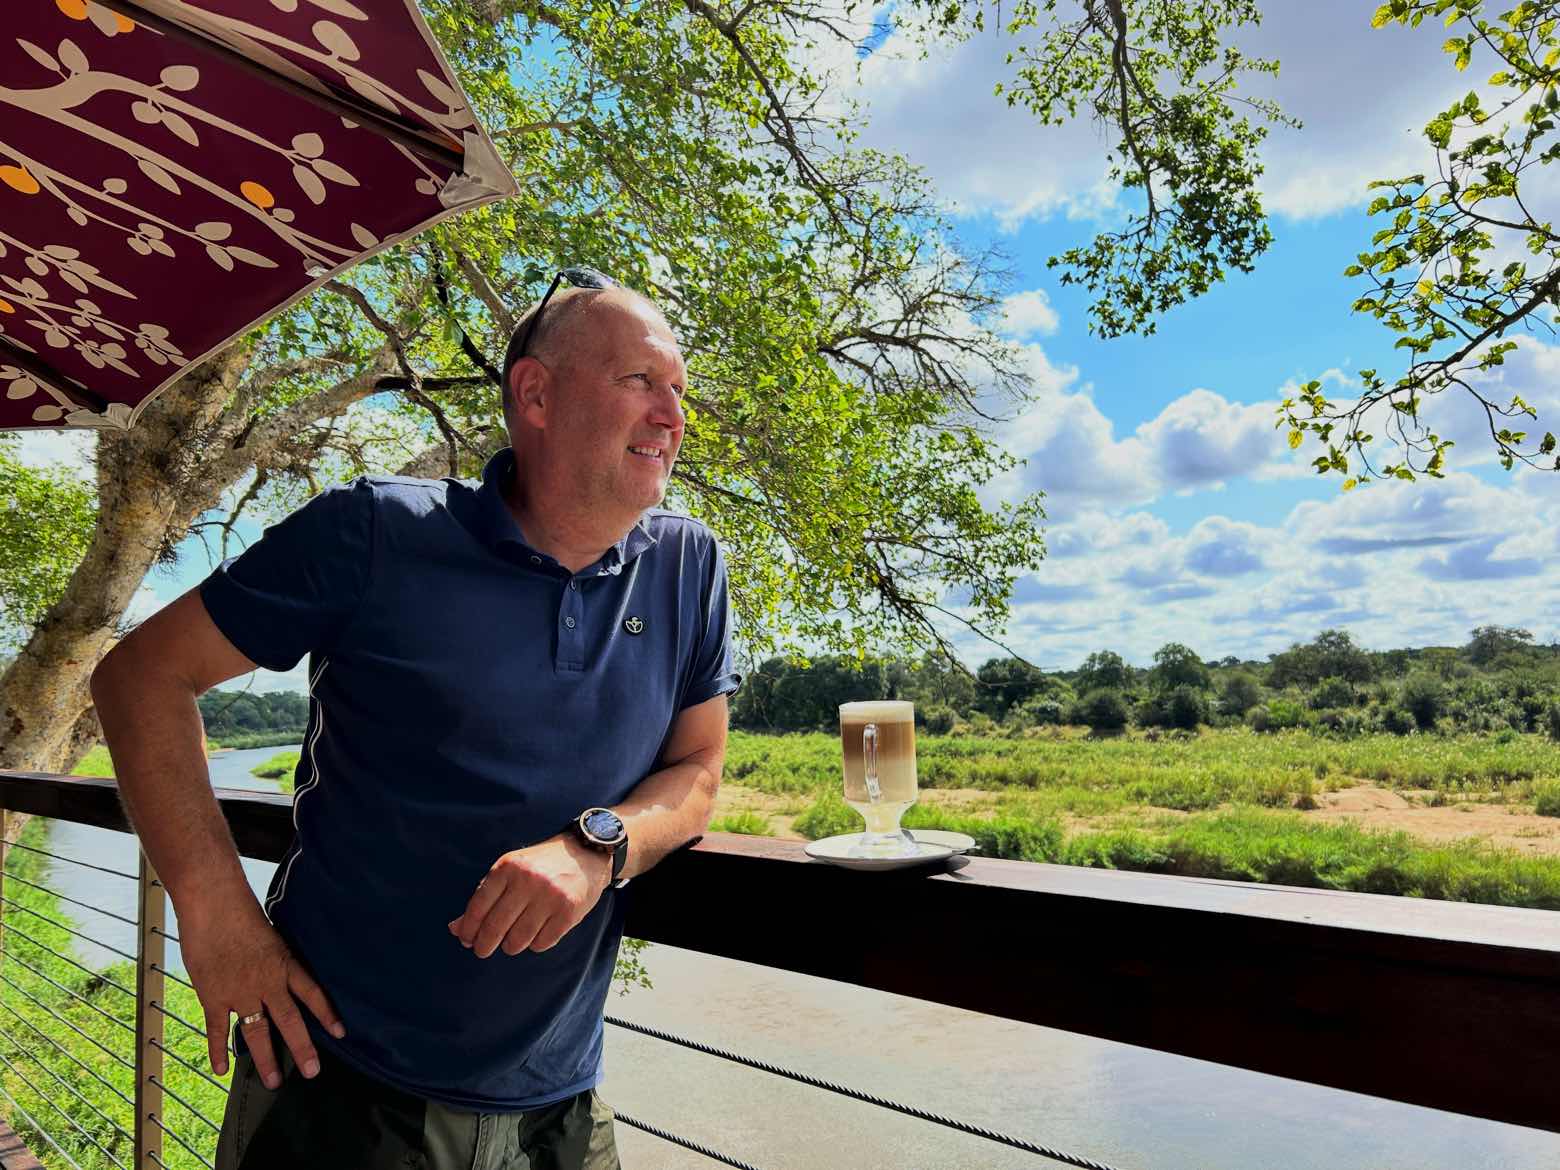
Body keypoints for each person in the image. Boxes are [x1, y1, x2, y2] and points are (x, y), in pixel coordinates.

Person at [90, 272, 740, 1169]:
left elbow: (700, 769)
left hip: (562, 1107)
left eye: (678, 389)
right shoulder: (374, 532)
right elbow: (140, 678)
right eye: (640, 381)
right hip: (338, 1087)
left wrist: (599, 845)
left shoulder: (688, 566)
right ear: (536, 394)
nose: (673, 415)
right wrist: (216, 918)